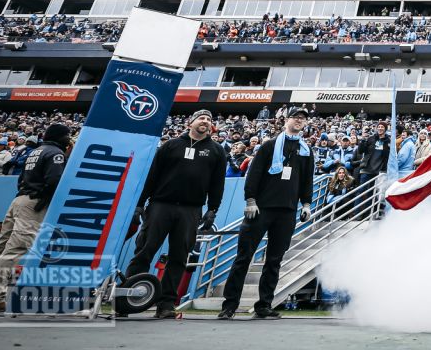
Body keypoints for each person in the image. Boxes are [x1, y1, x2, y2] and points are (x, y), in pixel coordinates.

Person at [122, 109, 227, 318]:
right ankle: (125, 301)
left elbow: (218, 184)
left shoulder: (216, 151)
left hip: (191, 209)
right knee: (145, 251)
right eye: (201, 118)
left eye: (209, 119)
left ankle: (166, 305)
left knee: (179, 257)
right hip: (161, 205)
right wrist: (140, 204)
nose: (205, 121)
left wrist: (213, 209)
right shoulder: (171, 145)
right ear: (191, 122)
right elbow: (152, 176)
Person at [0, 123, 71, 313]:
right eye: (67, 135)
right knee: (15, 249)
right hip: (33, 203)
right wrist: (43, 198)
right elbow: (54, 180)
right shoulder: (55, 152)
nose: (69, 139)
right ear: (60, 136)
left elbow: (21, 179)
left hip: (19, 200)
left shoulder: (36, 151)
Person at [219, 107, 314, 320]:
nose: (299, 121)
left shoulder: (306, 150)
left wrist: (306, 204)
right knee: (243, 258)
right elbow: (254, 174)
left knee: (274, 260)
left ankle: (264, 305)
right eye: (295, 117)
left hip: (287, 211)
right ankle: (229, 305)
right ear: (286, 119)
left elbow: (307, 179)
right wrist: (250, 199)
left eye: (303, 119)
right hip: (261, 208)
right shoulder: (269, 145)